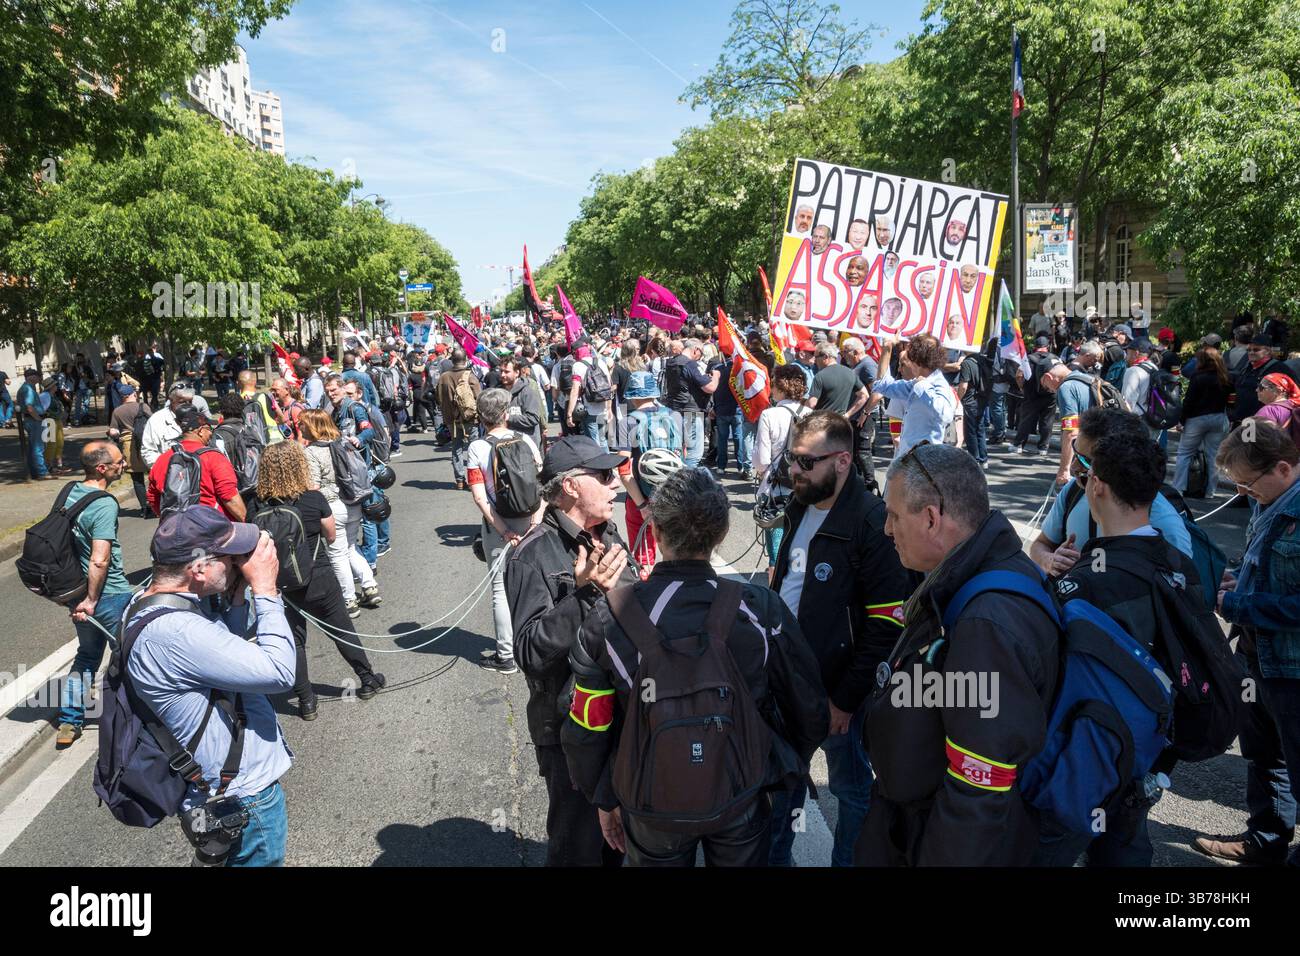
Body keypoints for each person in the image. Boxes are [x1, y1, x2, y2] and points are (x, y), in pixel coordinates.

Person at [562, 467, 829, 866]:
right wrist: (779, 767)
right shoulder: (758, 610)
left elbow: (588, 726)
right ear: (720, 534)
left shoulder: (609, 619)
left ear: (655, 533)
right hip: (741, 792)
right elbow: (808, 704)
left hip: (649, 799)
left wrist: (604, 796)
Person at [858, 443, 1060, 865]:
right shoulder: (982, 571)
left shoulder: (985, 624)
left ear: (931, 518)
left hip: (929, 833)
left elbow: (980, 784)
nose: (887, 530)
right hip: (914, 819)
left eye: (893, 516)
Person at [1034, 429, 1202, 866]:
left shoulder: (1086, 582)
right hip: (1147, 742)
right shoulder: (1178, 562)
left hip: (1084, 746)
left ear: (1097, 487)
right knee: (1124, 841)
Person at [768, 411, 915, 866]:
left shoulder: (871, 522)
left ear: (844, 461)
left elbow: (886, 626)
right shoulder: (800, 504)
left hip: (838, 689)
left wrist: (846, 701)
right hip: (787, 679)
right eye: (791, 459)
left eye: (805, 462)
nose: (794, 470)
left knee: (852, 790)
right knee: (780, 786)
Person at [124, 508, 295, 866]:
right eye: (227, 558)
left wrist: (235, 601)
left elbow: (217, 658)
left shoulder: (153, 602)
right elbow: (279, 671)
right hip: (242, 797)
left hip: (218, 787)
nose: (235, 564)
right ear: (198, 568)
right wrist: (265, 591)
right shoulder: (178, 632)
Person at [504, 436, 638, 866]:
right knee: (578, 846)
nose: (616, 483)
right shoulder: (532, 554)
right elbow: (528, 651)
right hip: (569, 729)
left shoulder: (609, 532)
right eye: (603, 475)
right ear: (572, 486)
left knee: (622, 837)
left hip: (623, 715)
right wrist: (585, 596)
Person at [1194, 423, 1300, 866]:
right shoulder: (1272, 498)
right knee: (1264, 755)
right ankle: (1266, 839)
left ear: (1282, 467)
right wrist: (1241, 579)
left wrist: (1238, 604)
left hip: (1292, 670)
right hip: (1259, 658)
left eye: (1248, 484)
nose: (1243, 493)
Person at [254, 441, 385, 720]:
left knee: (295, 641)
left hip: (281, 585)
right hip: (318, 576)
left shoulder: (257, 503)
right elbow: (331, 536)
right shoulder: (313, 499)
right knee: (342, 630)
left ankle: (306, 700)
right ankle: (367, 678)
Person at [1029, 408, 1194, 576]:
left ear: (1123, 463)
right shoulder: (1073, 491)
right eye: (1075, 452)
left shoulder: (1166, 526)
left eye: (1086, 462)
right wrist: (1049, 561)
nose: (1073, 467)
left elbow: (1181, 595)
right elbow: (1040, 545)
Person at [52, 442, 133, 747]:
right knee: (128, 656)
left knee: (86, 656)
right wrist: (92, 599)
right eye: (119, 461)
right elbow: (100, 558)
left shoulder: (69, 491)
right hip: (107, 593)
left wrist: (77, 599)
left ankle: (69, 722)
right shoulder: (104, 503)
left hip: (76, 591)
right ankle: (129, 716)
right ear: (102, 469)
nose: (124, 464)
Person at [469, 389, 545, 675]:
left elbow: (479, 496)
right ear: (505, 415)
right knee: (533, 585)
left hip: (498, 525)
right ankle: (536, 643)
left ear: (481, 417)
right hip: (530, 520)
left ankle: (506, 655)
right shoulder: (525, 439)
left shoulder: (477, 448)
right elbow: (542, 481)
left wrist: (502, 531)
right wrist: (537, 520)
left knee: (500, 589)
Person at [299, 409, 376, 619]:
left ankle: (349, 599)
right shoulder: (343, 442)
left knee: (337, 554)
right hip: (353, 502)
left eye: (303, 424)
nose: (300, 427)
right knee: (351, 547)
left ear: (314, 426)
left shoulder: (312, 452)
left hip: (332, 507)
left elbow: (314, 485)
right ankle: (369, 585)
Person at [615, 371, 684, 573]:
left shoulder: (627, 423)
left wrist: (642, 505)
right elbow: (681, 459)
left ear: (632, 396)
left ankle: (648, 599)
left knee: (643, 558)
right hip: (673, 497)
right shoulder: (675, 416)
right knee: (675, 553)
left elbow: (624, 470)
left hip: (640, 498)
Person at [146, 404, 246, 521]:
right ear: (200, 431)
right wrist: (247, 522)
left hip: (176, 530)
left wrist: (170, 521)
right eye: (209, 429)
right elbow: (229, 497)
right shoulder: (213, 457)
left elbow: (153, 498)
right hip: (213, 529)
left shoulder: (162, 459)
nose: (211, 434)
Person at [871, 335, 957, 457]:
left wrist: (922, 385)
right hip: (907, 458)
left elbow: (946, 415)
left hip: (925, 461)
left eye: (907, 361)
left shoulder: (939, 385)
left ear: (917, 361)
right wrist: (886, 349)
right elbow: (882, 386)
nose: (900, 369)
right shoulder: (916, 383)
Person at [1174, 345, 1233, 497]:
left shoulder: (1198, 377)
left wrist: (1181, 420)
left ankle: (1179, 487)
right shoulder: (1226, 377)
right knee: (1213, 455)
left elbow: (1189, 401)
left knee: (1185, 453)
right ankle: (1210, 491)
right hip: (1219, 417)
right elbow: (1232, 401)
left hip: (1197, 419)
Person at [662, 338, 720, 468]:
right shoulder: (690, 364)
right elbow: (710, 387)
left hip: (674, 410)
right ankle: (686, 482)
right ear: (696, 350)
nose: (700, 357)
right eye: (701, 354)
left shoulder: (670, 363)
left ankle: (677, 479)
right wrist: (716, 376)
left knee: (677, 450)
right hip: (691, 412)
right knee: (694, 453)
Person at [436, 348, 482, 490]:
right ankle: (474, 479)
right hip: (470, 418)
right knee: (473, 448)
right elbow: (479, 397)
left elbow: (438, 399)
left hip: (451, 420)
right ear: (465, 360)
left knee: (456, 449)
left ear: (452, 360)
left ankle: (460, 480)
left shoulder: (443, 377)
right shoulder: (470, 376)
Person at [106, 384, 152, 515]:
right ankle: (158, 503)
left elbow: (114, 432)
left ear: (122, 397)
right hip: (147, 443)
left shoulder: (117, 411)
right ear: (134, 394)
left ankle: (144, 508)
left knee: (137, 479)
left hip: (129, 447)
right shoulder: (144, 406)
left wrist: (110, 433)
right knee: (154, 475)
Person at [1012, 336, 1059, 456]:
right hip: (1050, 395)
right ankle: (1043, 447)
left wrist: (1022, 388)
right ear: (1047, 346)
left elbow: (1018, 375)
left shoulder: (1028, 359)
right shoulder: (1055, 358)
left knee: (1026, 419)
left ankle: (1018, 445)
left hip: (1031, 394)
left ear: (1035, 347)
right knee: (1047, 421)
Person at [706, 349, 749, 476]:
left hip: (721, 408)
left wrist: (713, 406)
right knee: (738, 437)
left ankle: (721, 466)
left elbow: (713, 389)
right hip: (736, 408)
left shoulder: (716, 369)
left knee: (722, 439)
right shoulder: (740, 370)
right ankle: (740, 466)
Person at [141, 384, 205, 469]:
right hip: (169, 474)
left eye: (190, 401)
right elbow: (148, 451)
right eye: (182, 402)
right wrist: (165, 470)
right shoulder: (156, 420)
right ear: (171, 400)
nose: (187, 405)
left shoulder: (198, 417)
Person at [499, 357, 544, 450]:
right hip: (507, 446)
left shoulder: (527, 391)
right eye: (501, 371)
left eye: (507, 372)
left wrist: (508, 417)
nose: (502, 375)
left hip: (526, 446)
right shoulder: (499, 392)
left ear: (517, 373)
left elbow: (533, 418)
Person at [17, 368, 51, 480]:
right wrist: (39, 419)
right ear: (30, 377)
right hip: (33, 421)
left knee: (33, 448)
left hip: (31, 420)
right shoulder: (28, 389)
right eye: (37, 375)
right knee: (38, 447)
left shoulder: (27, 388)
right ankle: (42, 472)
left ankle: (35, 471)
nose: (39, 378)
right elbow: (29, 407)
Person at [1250, 372, 1300, 447]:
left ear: (1278, 391)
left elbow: (1255, 440)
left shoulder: (1268, 411)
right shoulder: (1294, 407)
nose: (1257, 390)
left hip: (1272, 456)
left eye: (1261, 387)